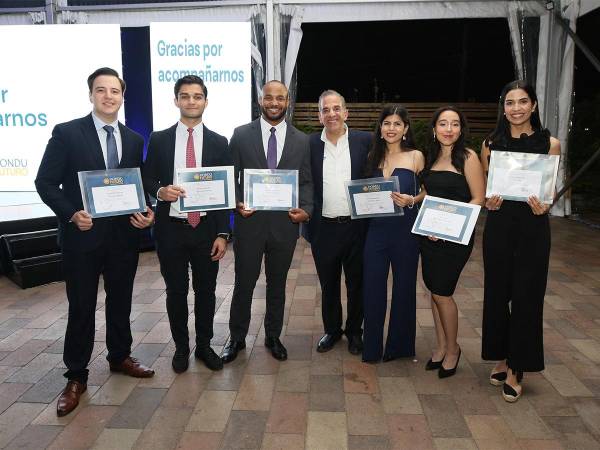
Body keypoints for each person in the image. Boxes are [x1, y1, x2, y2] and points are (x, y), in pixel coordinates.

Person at [35, 67, 155, 417]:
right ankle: (76, 375)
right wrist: (72, 213)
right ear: (91, 95)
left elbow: (136, 187)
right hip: (82, 237)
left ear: (122, 96)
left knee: (121, 301)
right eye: (100, 90)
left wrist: (147, 213)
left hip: (123, 238)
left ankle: (119, 356)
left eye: (114, 90)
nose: (108, 96)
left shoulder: (133, 139)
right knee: (82, 306)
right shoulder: (67, 133)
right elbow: (45, 183)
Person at [142, 75, 230, 373]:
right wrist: (159, 191)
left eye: (197, 96)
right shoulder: (159, 139)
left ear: (206, 100)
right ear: (176, 100)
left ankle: (204, 346)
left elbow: (224, 193)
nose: (191, 101)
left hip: (206, 231)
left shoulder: (220, 142)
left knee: (206, 291)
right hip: (171, 230)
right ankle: (181, 347)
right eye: (185, 96)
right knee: (175, 292)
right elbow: (147, 176)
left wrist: (223, 233)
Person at [222, 80, 313, 363]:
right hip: (250, 225)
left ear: (288, 101)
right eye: (269, 98)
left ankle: (273, 336)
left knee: (277, 284)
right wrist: (237, 203)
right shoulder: (240, 135)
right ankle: (236, 338)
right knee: (244, 283)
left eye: (280, 98)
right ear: (260, 101)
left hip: (285, 226)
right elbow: (231, 176)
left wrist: (306, 210)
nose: (274, 103)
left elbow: (307, 180)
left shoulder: (302, 140)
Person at [481, 80, 560, 402]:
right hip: (500, 226)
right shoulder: (491, 143)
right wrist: (490, 202)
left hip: (533, 227)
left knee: (527, 296)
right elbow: (490, 189)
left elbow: (550, 190)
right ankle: (501, 355)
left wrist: (547, 205)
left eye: (522, 101)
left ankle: (517, 367)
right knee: (497, 294)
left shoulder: (550, 144)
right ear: (504, 108)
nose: (516, 108)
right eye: (510, 102)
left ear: (534, 106)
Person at [420, 106, 485, 378]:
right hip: (430, 235)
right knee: (434, 291)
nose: (449, 129)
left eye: (454, 124)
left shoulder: (468, 157)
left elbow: (478, 198)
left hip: (456, 236)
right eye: (443, 124)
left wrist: (449, 228)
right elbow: (426, 193)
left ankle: (454, 349)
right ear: (434, 129)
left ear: (461, 129)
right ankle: (441, 345)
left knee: (443, 293)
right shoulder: (429, 157)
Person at [304, 90, 371, 355]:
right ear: (319, 115)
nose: (331, 114)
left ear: (346, 112)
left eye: (336, 108)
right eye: (325, 110)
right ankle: (332, 330)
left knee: (358, 283)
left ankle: (355, 332)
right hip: (324, 229)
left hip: (357, 228)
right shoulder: (308, 144)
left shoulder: (365, 141)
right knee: (328, 284)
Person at [361, 105, 425, 363]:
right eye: (387, 123)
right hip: (376, 231)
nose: (391, 128)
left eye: (397, 124)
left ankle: (399, 346)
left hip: (406, 231)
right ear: (380, 127)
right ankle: (372, 347)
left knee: (404, 288)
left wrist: (412, 199)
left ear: (406, 129)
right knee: (373, 287)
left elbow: (428, 191)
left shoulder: (416, 156)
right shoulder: (372, 156)